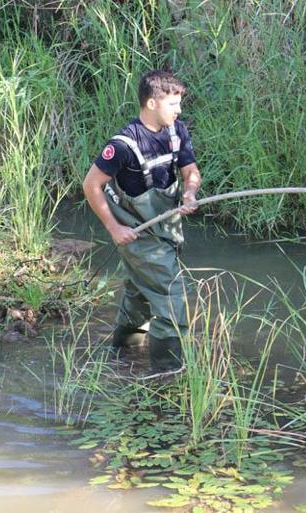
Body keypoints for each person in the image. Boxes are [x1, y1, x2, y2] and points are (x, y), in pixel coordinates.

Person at [83, 70, 201, 371]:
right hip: (137, 235)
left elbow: (190, 171)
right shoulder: (123, 144)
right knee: (170, 297)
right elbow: (91, 185)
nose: (179, 110)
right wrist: (114, 228)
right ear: (151, 103)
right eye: (173, 104)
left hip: (168, 230)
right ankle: (168, 376)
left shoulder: (177, 132)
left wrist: (189, 193)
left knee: (139, 297)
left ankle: (121, 359)